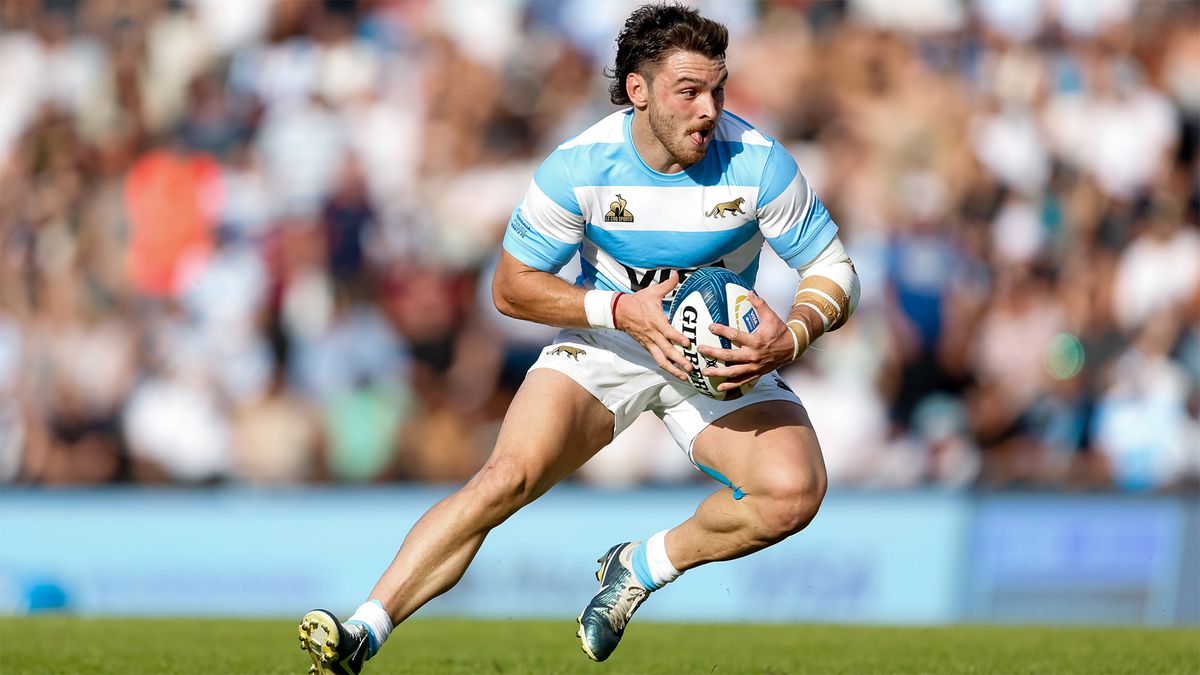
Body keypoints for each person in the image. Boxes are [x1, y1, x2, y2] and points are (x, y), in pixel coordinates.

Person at [298, 3, 860, 673]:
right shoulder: (580, 167)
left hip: (715, 354)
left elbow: (834, 269)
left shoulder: (757, 162)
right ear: (638, 91)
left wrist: (789, 336)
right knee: (505, 478)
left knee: (794, 491)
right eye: (689, 91)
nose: (709, 109)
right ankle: (362, 631)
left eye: (717, 89)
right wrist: (622, 310)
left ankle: (642, 567)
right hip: (610, 344)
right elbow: (509, 286)